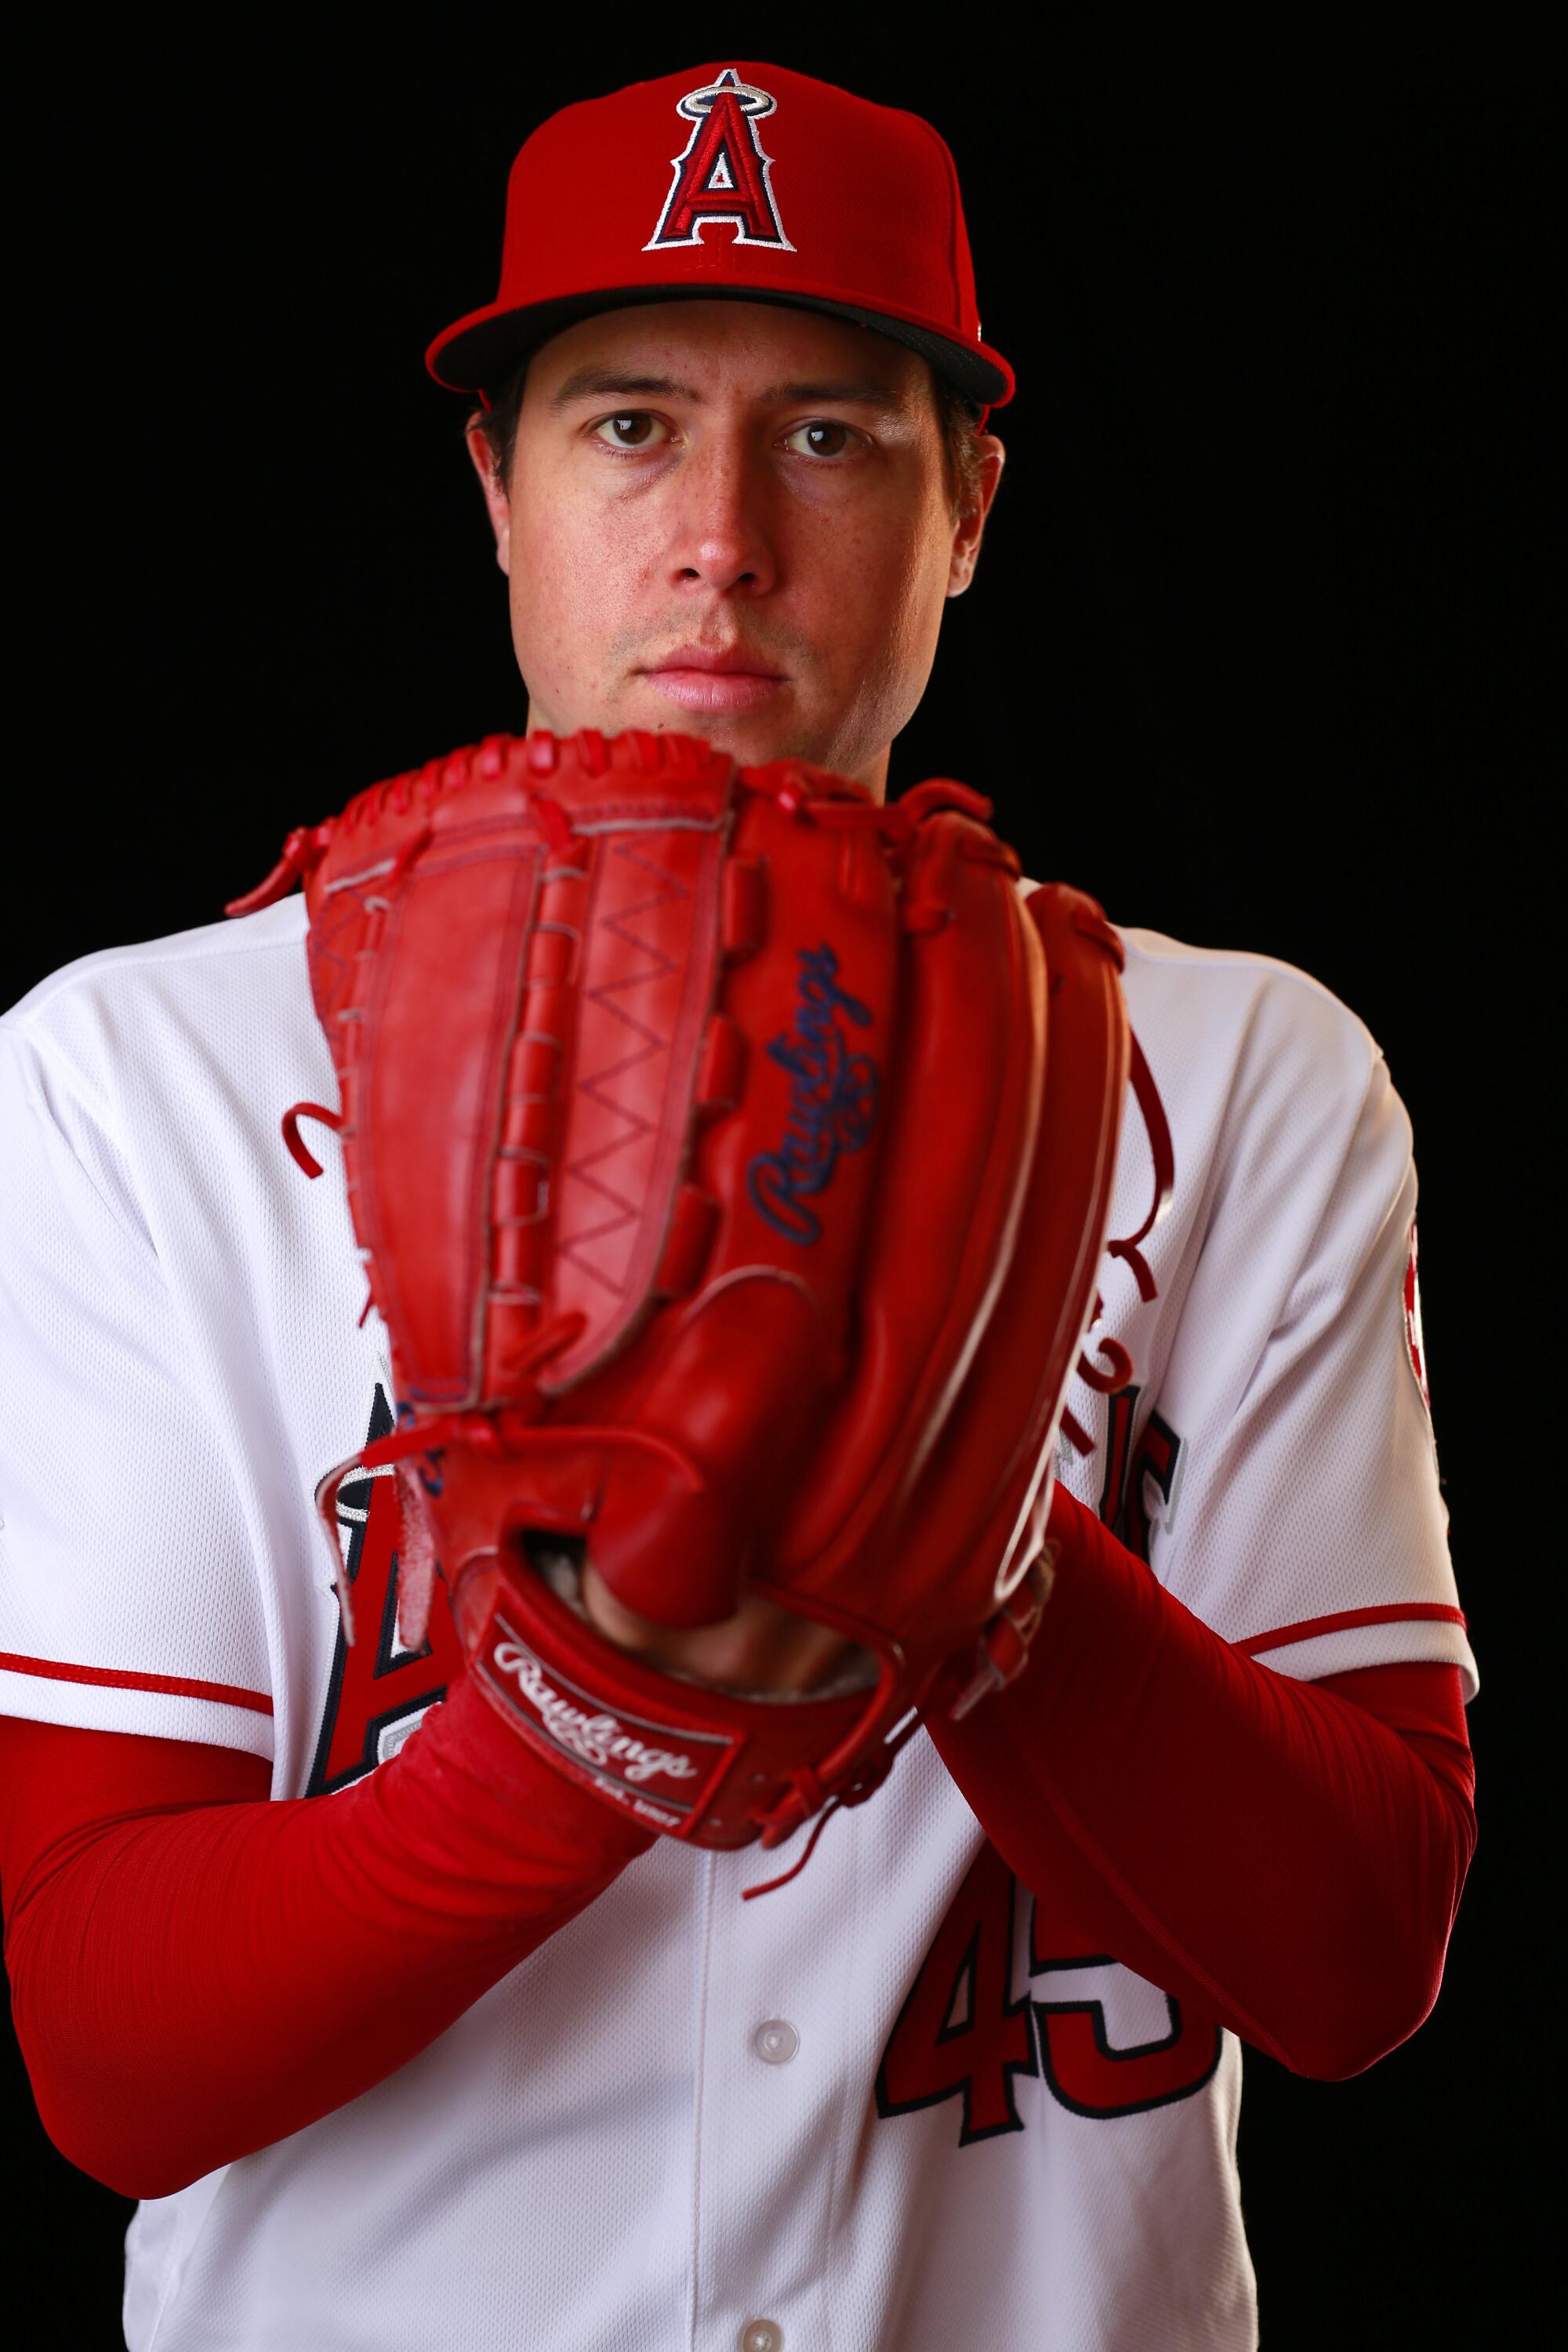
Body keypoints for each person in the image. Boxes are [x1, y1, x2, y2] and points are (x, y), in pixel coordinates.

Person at [0, 60, 1476, 2352]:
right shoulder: (141, 1073)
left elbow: (1360, 1955)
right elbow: (104, 2046)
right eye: (624, 424)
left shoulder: (1236, 1073)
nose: (719, 534)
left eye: (825, 433)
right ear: (493, 488)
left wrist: (991, 1582)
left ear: (972, 503)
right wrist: (578, 1734)